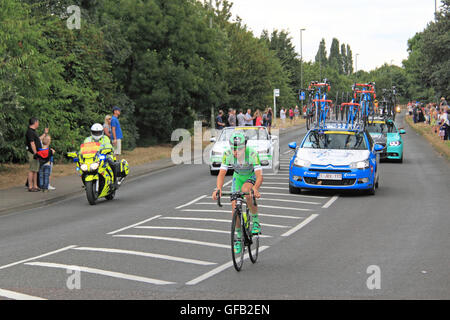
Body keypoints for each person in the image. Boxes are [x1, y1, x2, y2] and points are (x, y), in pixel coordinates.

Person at [212, 132, 263, 254]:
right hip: (238, 177)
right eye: (234, 148)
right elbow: (221, 174)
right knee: (234, 207)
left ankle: (255, 221)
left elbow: (259, 176)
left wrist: (255, 188)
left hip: (250, 176)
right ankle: (239, 237)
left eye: (239, 148)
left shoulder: (252, 153)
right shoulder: (227, 154)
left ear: (245, 146)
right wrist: (218, 188)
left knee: (246, 191)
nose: (236, 152)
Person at [25, 117, 48, 192]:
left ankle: (35, 185)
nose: (38, 124)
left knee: (36, 170)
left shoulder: (33, 131)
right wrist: (35, 153)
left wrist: (45, 133)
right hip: (32, 153)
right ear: (35, 123)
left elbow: (38, 139)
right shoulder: (30, 132)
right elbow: (32, 143)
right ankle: (30, 186)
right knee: (32, 169)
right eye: (38, 122)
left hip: (36, 153)